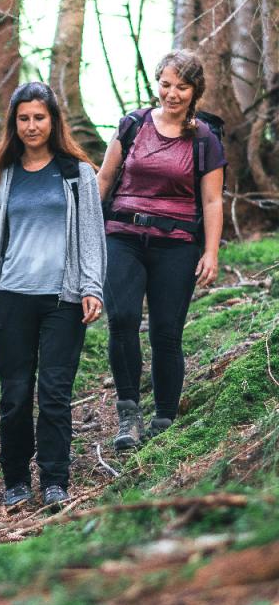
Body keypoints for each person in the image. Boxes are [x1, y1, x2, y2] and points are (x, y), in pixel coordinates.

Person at [0, 82, 106, 509]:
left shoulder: (77, 173)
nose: (31, 126)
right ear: (14, 123)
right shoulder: (2, 177)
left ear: (53, 120)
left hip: (63, 301)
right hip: (12, 298)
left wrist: (91, 287)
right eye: (23, 118)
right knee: (16, 395)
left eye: (38, 117)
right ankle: (15, 480)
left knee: (56, 393)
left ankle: (56, 480)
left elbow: (93, 237)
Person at [97, 49, 226, 451]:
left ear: (194, 91)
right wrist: (83, 235)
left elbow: (212, 202)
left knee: (167, 333)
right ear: (158, 83)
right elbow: (104, 179)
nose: (172, 94)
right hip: (122, 235)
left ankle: (165, 416)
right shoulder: (133, 125)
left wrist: (211, 253)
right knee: (122, 319)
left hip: (177, 244)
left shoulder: (203, 138)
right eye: (166, 84)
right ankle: (128, 414)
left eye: (182, 87)